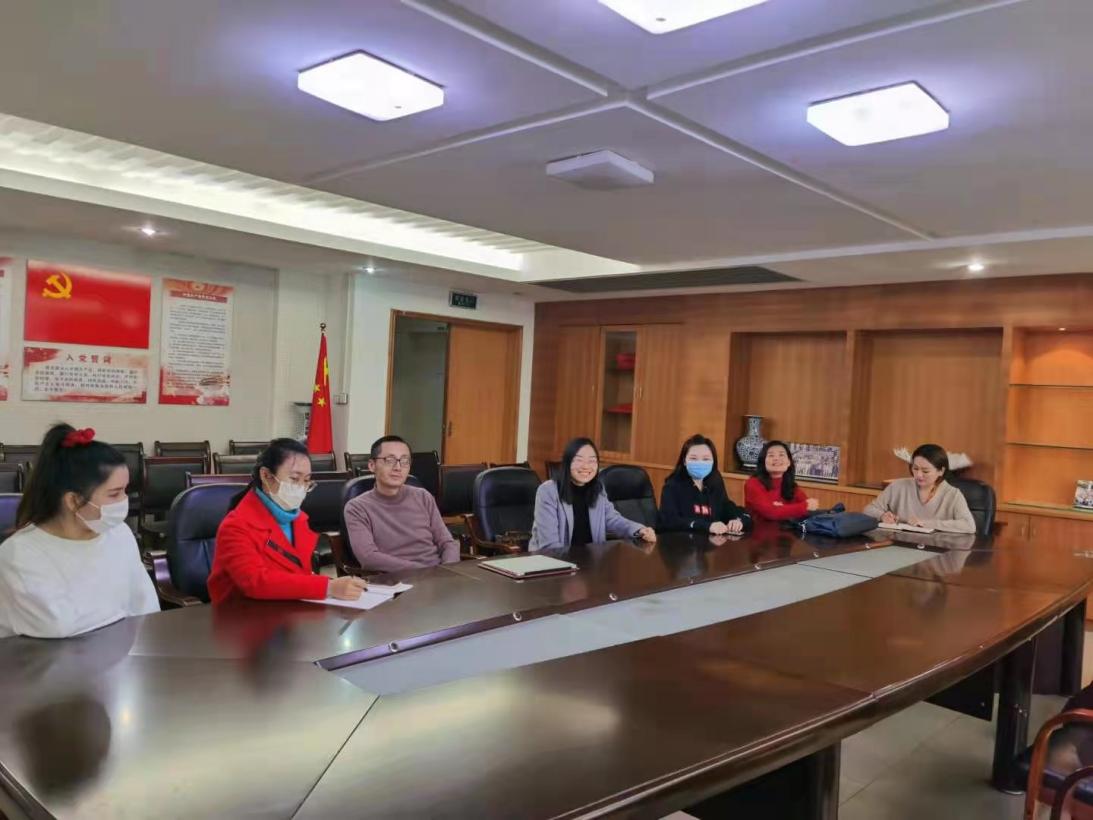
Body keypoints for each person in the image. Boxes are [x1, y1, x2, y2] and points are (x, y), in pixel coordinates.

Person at [0, 424, 159, 639]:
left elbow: (145, 605)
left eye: (126, 491)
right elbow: (57, 625)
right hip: (36, 658)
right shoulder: (19, 554)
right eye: (114, 494)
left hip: (114, 653)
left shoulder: (119, 533)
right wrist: (121, 611)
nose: (124, 501)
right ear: (73, 500)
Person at [208, 438, 366, 603]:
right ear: (266, 475)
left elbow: (299, 574)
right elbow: (255, 581)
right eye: (294, 479)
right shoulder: (236, 525)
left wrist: (331, 585)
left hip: (289, 608)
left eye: (306, 480)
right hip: (242, 613)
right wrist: (328, 587)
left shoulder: (298, 519)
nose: (301, 488)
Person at [344, 436, 460, 572]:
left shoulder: (423, 496)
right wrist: (424, 572)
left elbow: (447, 542)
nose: (398, 467)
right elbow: (368, 557)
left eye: (404, 461)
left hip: (438, 573)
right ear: (372, 465)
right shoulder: (357, 507)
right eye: (390, 460)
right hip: (395, 578)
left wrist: (447, 569)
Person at [529, 437, 657, 551]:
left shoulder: (598, 489)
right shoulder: (548, 491)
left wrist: (639, 530)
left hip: (590, 562)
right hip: (554, 563)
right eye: (579, 460)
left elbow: (613, 519)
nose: (586, 466)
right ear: (567, 463)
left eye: (592, 461)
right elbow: (550, 545)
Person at [863, 443, 976, 533]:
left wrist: (925, 523)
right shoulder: (897, 486)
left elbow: (969, 526)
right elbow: (868, 510)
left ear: (941, 471)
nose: (919, 475)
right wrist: (882, 516)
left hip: (936, 549)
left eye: (925, 471)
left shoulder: (953, 494)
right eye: (915, 468)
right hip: (901, 546)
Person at [658, 434, 751, 535]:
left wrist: (738, 520)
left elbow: (726, 507)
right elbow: (670, 521)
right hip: (682, 541)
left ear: (713, 462)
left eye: (706, 459)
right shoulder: (673, 485)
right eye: (693, 458)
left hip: (712, 541)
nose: (700, 463)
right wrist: (707, 526)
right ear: (684, 461)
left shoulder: (714, 481)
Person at [744, 440, 820, 522]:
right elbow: (771, 513)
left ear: (789, 462)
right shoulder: (753, 483)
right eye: (771, 455)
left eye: (781, 455)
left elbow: (811, 507)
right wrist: (800, 507)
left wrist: (781, 508)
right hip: (759, 529)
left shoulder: (791, 486)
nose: (776, 458)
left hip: (787, 529)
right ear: (763, 462)